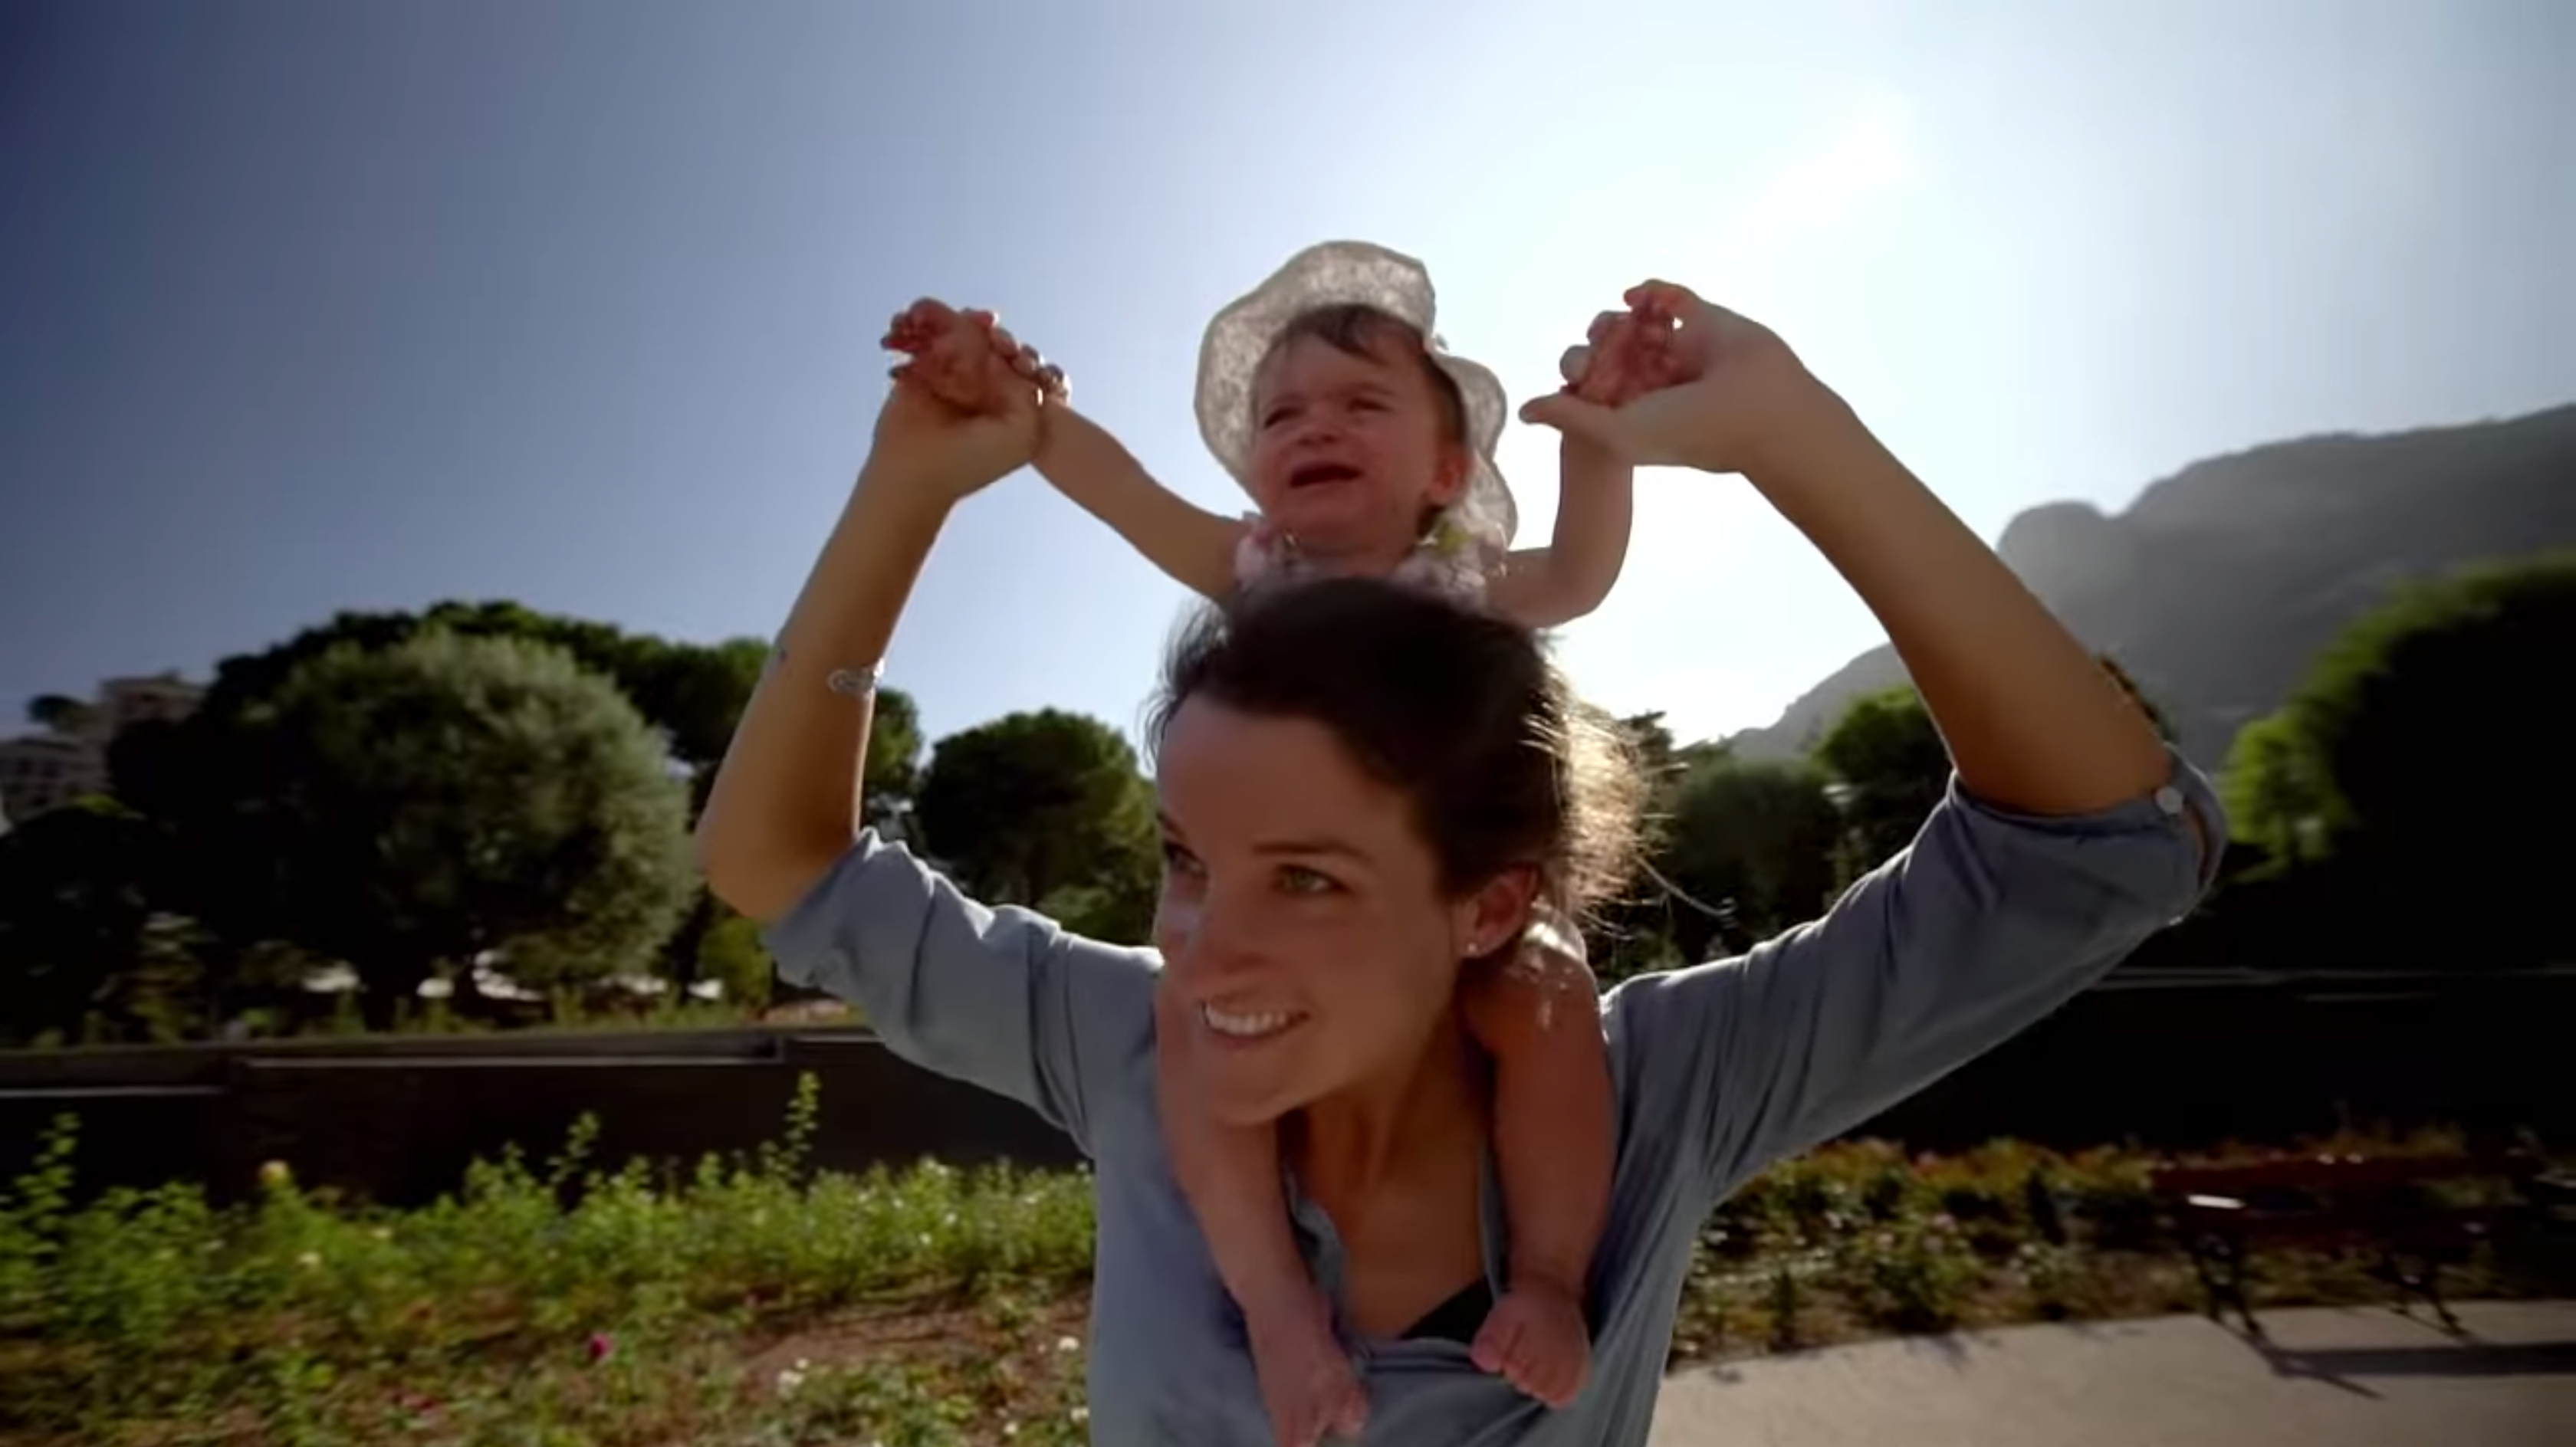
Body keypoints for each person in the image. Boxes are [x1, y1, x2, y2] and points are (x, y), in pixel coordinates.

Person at [695, 275, 2223, 1446]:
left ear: (1488, 896)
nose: (1207, 948)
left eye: (1310, 874)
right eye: (1186, 857)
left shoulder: (1652, 1093)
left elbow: (2092, 847)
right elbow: (776, 863)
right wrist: (924, 478)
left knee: (1542, 998)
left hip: (1535, 972)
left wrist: (1781, 434)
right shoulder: (1134, 1033)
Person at [881, 241, 1682, 1436]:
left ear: (1446, 468)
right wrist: (1020, 405)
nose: (1317, 426)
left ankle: (1550, 1277)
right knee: (1187, 1017)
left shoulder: (1465, 581)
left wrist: (1598, 436)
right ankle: (1275, 1304)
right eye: (1282, 413)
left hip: (1452, 917)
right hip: (1291, 925)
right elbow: (1122, 490)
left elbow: (1580, 570)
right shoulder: (1250, 568)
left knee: (1552, 993)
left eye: (1362, 403)